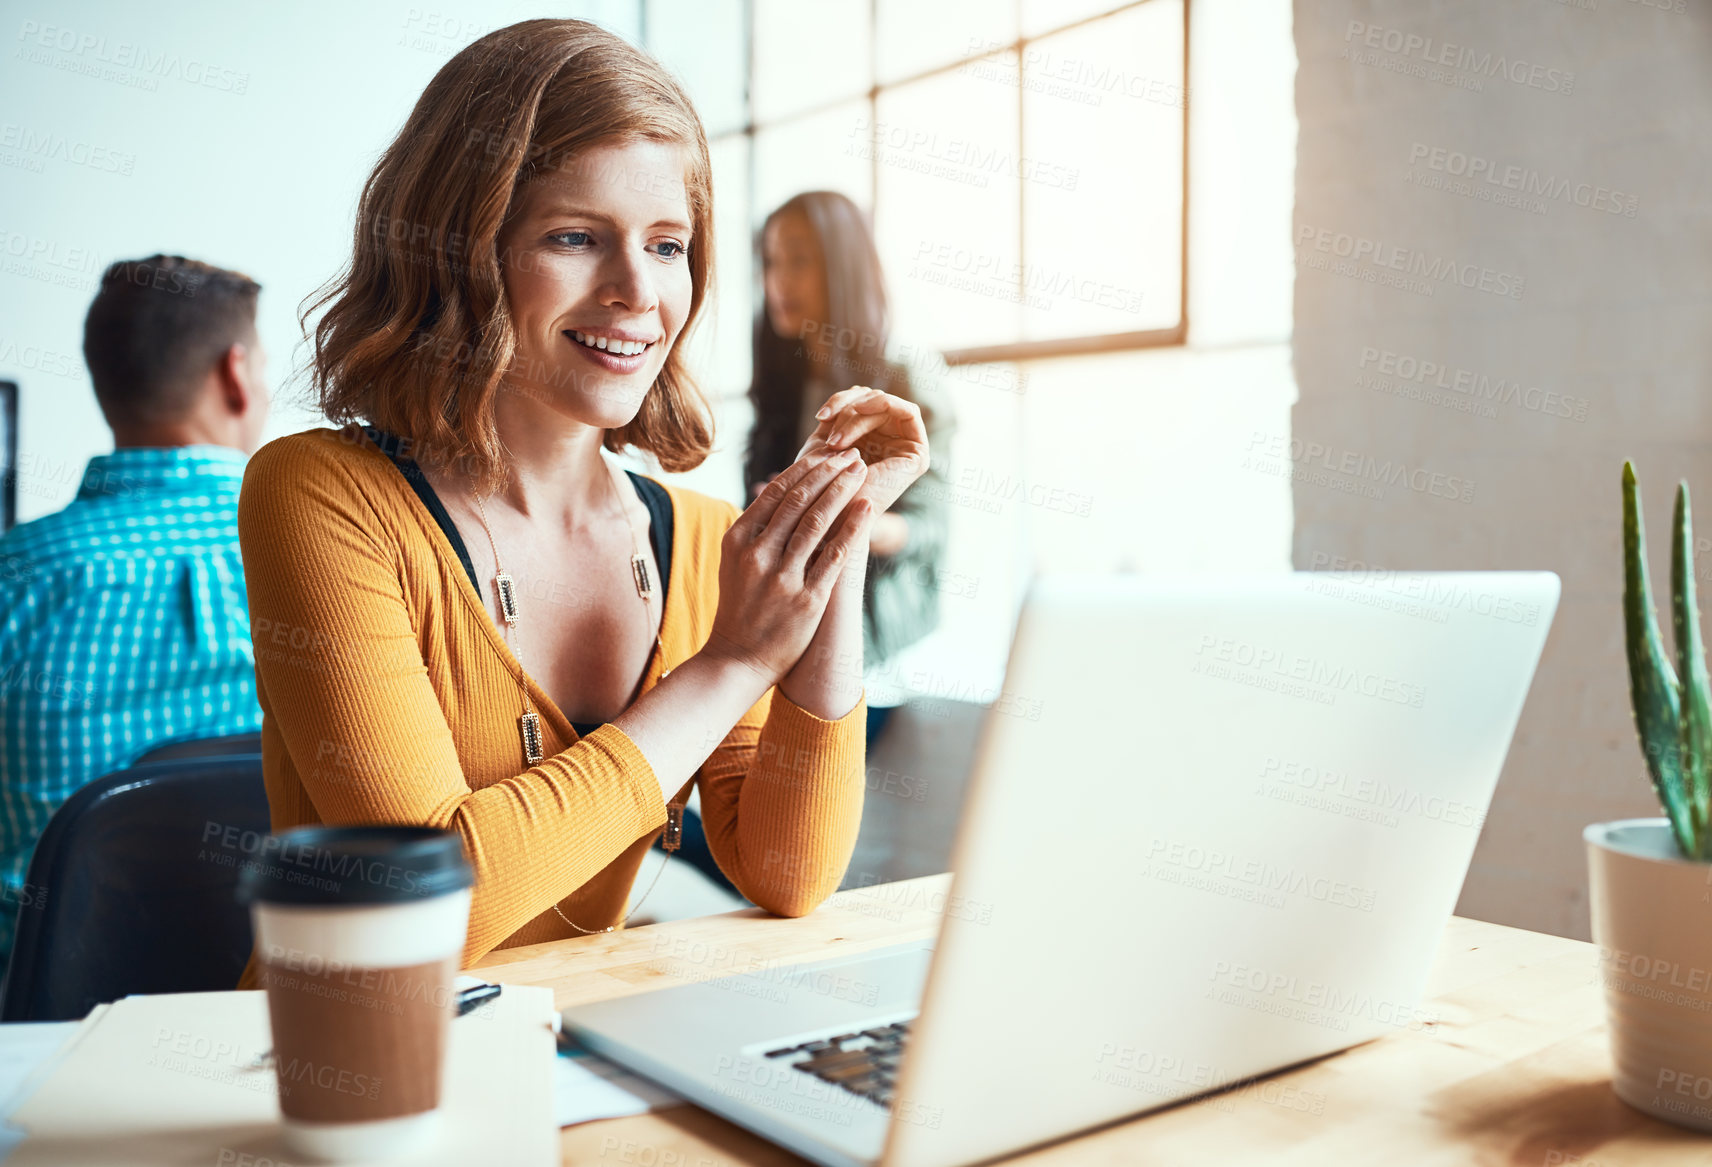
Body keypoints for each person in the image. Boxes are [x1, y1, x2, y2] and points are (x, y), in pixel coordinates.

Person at [235, 18, 931, 978]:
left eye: (668, 245)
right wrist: (730, 663)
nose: (638, 291)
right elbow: (425, 910)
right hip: (350, 1082)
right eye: (575, 236)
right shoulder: (322, 495)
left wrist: (838, 527)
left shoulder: (694, 538)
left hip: (576, 1066)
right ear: (460, 250)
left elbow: (789, 870)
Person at [0, 255, 270, 958]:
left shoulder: (18, 574)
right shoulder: (328, 553)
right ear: (237, 374)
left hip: (44, 1017)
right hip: (276, 986)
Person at [744, 191, 955, 750]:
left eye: (800, 260)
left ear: (843, 267)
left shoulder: (905, 380)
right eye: (770, 261)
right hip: (789, 634)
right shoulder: (782, 380)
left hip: (874, 647)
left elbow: (930, 530)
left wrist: (842, 510)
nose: (780, 281)